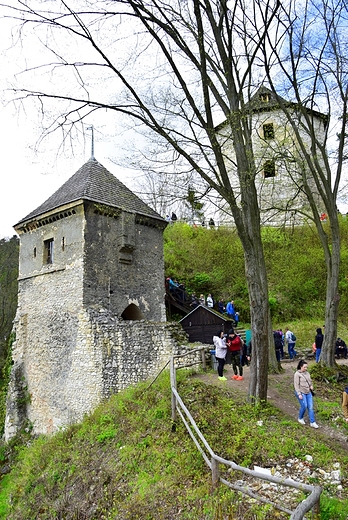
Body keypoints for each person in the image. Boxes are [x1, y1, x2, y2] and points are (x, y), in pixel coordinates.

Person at [294, 359, 319, 428]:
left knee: (310, 407)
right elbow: (296, 385)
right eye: (305, 367)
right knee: (304, 406)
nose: (306, 368)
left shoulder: (307, 373)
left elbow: (310, 381)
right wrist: (299, 394)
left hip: (308, 392)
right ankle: (300, 418)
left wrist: (311, 386)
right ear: (301, 367)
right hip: (301, 392)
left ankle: (312, 422)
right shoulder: (297, 374)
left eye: (306, 367)